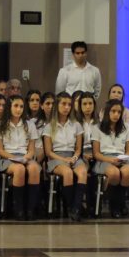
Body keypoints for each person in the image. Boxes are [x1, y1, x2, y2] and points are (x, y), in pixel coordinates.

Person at [0, 95, 42, 221]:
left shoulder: (29, 124)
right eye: (15, 106)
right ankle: (18, 209)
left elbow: (31, 149)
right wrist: (14, 158)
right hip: (7, 158)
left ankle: (31, 209)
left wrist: (26, 157)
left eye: (21, 106)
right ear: (9, 107)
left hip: (24, 156)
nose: (18, 109)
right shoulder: (1, 125)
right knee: (19, 169)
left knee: (34, 168)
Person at [43, 92, 88, 221]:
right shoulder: (48, 127)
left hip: (73, 156)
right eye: (63, 104)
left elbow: (78, 148)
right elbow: (48, 152)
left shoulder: (76, 125)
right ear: (57, 105)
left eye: (69, 104)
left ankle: (76, 208)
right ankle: (71, 208)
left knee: (83, 171)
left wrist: (74, 158)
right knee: (68, 173)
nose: (67, 107)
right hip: (56, 158)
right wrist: (63, 160)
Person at [93, 99, 129, 218]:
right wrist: (110, 160)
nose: (116, 114)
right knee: (114, 173)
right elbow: (96, 153)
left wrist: (124, 159)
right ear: (107, 112)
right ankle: (115, 206)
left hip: (122, 158)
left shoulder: (127, 128)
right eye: (113, 111)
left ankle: (120, 203)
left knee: (127, 172)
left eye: (119, 112)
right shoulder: (97, 128)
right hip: (104, 159)